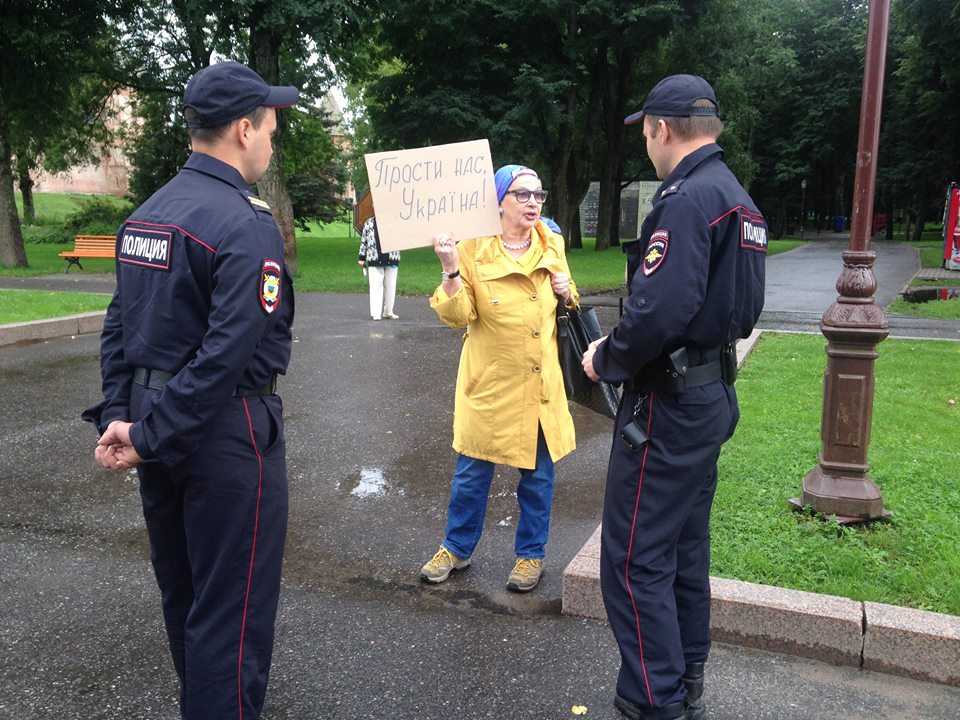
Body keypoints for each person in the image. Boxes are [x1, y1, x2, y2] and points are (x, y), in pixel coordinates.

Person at [82, 61, 298, 720]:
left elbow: (119, 330)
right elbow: (226, 357)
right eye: (269, 127)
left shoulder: (149, 212)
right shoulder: (245, 223)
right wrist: (147, 433)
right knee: (228, 619)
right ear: (241, 128)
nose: (270, 141)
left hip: (160, 428)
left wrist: (125, 417)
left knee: (187, 598)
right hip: (222, 435)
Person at [582, 75, 766, 720]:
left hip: (668, 403)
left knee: (633, 558)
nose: (647, 144)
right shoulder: (737, 198)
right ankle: (685, 679)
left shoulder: (685, 199)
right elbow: (739, 309)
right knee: (683, 549)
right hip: (708, 396)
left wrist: (605, 357)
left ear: (661, 128)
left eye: (646, 133)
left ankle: (653, 700)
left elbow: (659, 311)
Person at [420, 164, 579, 593]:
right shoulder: (472, 248)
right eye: (523, 194)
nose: (533, 202)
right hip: (488, 384)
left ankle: (531, 556)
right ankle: (456, 547)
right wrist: (451, 268)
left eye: (539, 195)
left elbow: (570, 303)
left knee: (538, 477)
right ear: (499, 202)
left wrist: (568, 293)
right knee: (471, 474)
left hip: (538, 382)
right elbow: (459, 317)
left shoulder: (552, 243)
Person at [358, 215, 401, 320]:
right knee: (375, 286)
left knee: (391, 286)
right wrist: (361, 257)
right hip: (374, 258)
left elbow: (401, 237)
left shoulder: (395, 221)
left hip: (392, 256)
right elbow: (364, 240)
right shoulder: (369, 223)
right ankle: (376, 313)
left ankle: (388, 312)